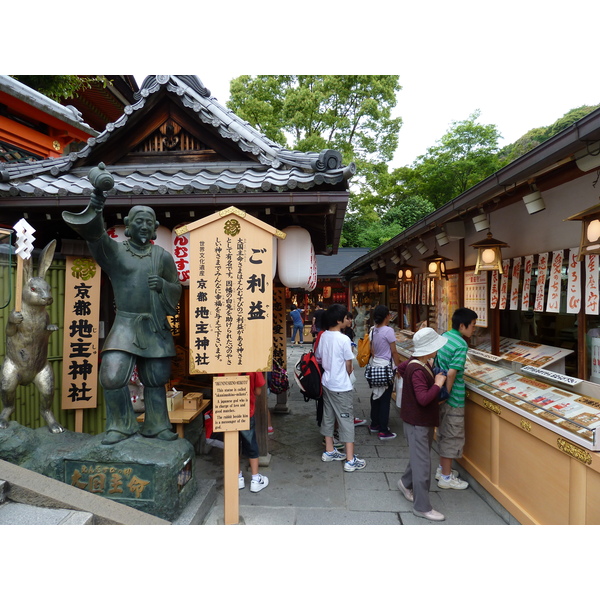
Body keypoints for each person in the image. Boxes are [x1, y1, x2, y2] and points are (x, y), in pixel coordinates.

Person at [63, 181, 181, 445]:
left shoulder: (162, 257)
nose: (144, 226)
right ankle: (121, 425)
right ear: (128, 225)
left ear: (154, 227)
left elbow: (176, 290)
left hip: (154, 326)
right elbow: (96, 238)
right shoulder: (116, 252)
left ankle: (157, 425)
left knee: (156, 378)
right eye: (138, 221)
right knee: (112, 375)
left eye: (149, 222)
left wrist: (163, 286)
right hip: (126, 324)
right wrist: (96, 203)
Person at [397, 327, 448, 521]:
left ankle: (405, 482)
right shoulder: (418, 368)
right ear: (429, 349)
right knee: (423, 465)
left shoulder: (417, 363)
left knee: (420, 459)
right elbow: (424, 399)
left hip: (417, 420)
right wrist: (438, 383)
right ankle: (422, 506)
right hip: (418, 421)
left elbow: (400, 369)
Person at [315, 303, 366, 472]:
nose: (347, 320)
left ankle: (329, 450)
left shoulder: (323, 336)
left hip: (327, 382)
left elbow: (319, 358)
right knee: (345, 419)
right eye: (345, 317)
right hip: (340, 385)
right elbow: (349, 365)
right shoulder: (344, 339)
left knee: (328, 416)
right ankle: (350, 459)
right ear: (339, 320)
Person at [434, 307, 478, 490]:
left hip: (441, 394)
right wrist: (447, 395)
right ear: (462, 325)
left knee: (444, 433)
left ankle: (442, 469)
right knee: (452, 436)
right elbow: (452, 373)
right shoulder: (461, 344)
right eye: (473, 325)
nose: (474, 329)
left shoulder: (445, 336)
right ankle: (445, 477)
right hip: (453, 399)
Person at [368, 305, 401, 440]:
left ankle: (374, 423)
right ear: (387, 316)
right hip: (386, 368)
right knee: (385, 399)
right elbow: (394, 351)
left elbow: (372, 350)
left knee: (376, 395)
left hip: (375, 366)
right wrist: (398, 367)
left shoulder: (373, 330)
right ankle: (383, 429)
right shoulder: (388, 331)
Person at [238, 372, 269, 493]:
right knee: (250, 442)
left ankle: (237, 478)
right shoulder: (252, 366)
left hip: (227, 410)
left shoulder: (222, 363)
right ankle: (255, 479)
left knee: (233, 444)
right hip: (246, 410)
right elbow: (258, 391)